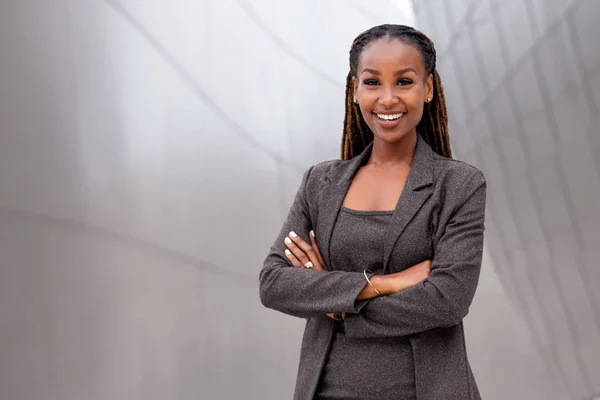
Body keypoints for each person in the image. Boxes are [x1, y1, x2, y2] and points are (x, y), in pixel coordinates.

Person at [259, 24, 487, 400]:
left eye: (403, 82)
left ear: (427, 89)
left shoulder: (459, 185)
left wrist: (338, 303)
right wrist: (382, 283)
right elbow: (274, 283)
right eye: (372, 82)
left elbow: (447, 301)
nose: (387, 98)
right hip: (325, 390)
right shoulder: (320, 183)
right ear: (354, 90)